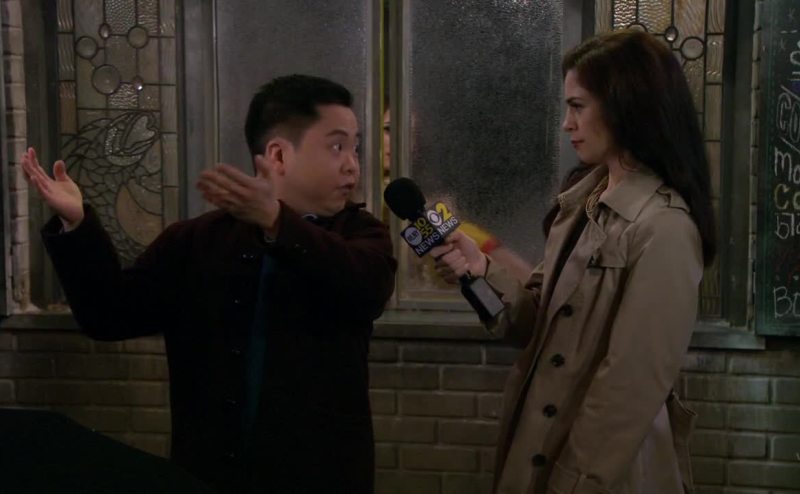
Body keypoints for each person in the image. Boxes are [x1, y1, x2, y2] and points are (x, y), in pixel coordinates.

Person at [22, 74, 397, 493]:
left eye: (355, 147)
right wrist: (78, 225)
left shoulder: (361, 234)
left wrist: (278, 222)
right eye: (337, 147)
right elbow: (109, 315)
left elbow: (366, 288)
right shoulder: (196, 240)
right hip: (207, 474)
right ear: (278, 154)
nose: (352, 164)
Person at [431, 30, 716, 493]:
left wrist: (573, 483)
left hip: (607, 474)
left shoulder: (664, 227)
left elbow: (629, 387)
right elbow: (539, 325)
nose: (567, 124)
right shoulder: (580, 204)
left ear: (625, 106)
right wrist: (481, 270)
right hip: (541, 443)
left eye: (578, 106)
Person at [381, 105, 533, 283]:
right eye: (388, 129)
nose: (401, 142)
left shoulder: (431, 201)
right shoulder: (364, 195)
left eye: (412, 135)